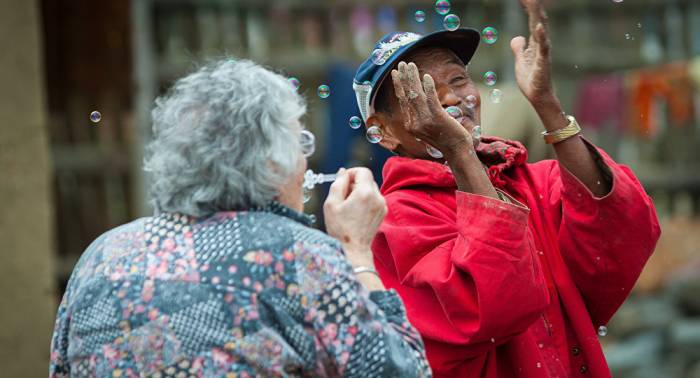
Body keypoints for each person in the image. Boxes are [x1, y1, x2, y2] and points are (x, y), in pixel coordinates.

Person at [49, 59, 431, 377]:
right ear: (270, 161)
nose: (305, 163)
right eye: (300, 143)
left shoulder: (102, 254)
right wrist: (357, 251)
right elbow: (402, 371)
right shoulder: (301, 257)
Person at [351, 1, 661, 377]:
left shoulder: (531, 181)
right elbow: (493, 306)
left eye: (458, 80)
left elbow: (623, 231)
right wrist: (459, 151)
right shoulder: (396, 221)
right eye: (420, 92)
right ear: (381, 131)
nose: (450, 99)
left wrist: (547, 106)